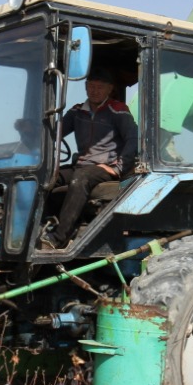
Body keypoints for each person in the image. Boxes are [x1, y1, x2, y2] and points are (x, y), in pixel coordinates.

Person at [40, 67, 137, 249]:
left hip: (103, 167)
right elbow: (54, 132)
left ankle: (59, 238)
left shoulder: (118, 111)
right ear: (85, 87)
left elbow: (133, 140)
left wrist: (118, 168)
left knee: (80, 179)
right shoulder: (77, 111)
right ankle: (42, 227)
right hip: (82, 165)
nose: (95, 91)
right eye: (91, 86)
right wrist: (32, 129)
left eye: (100, 87)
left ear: (110, 89)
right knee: (47, 177)